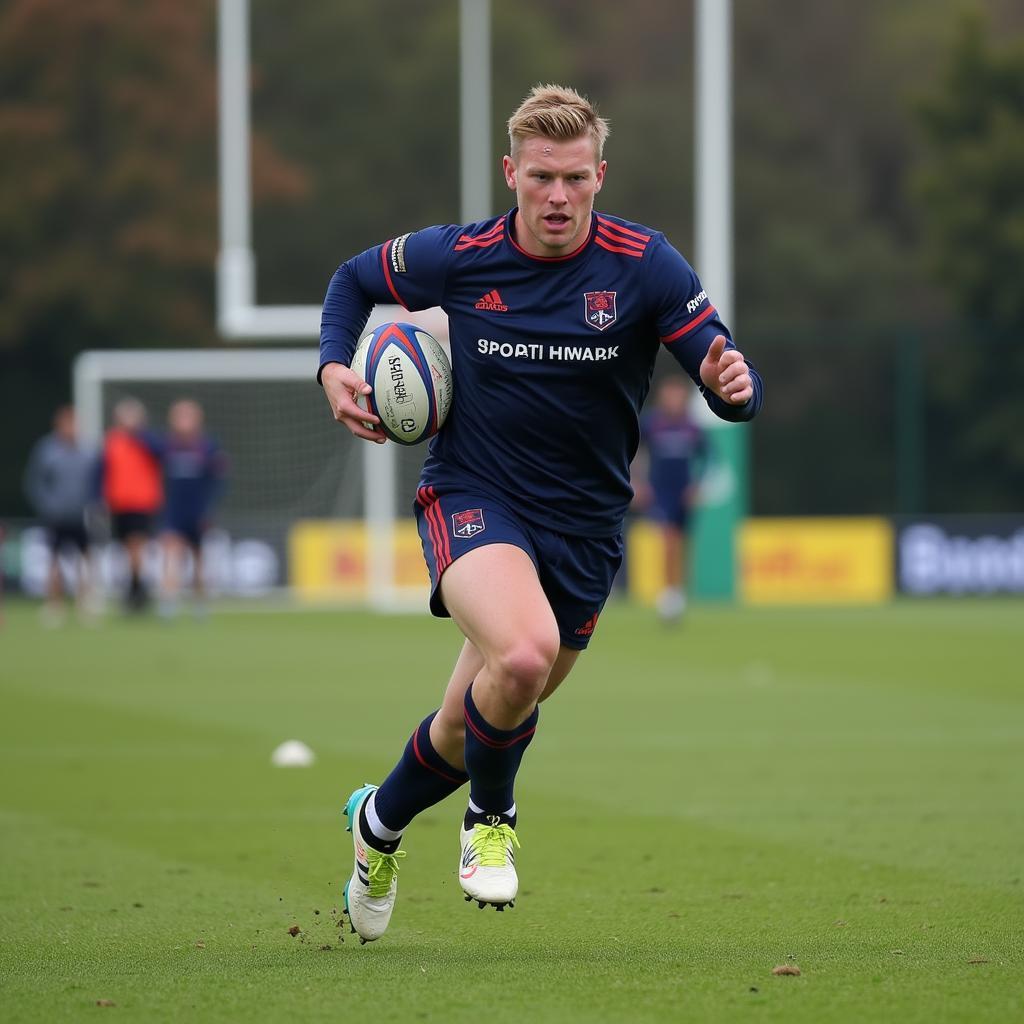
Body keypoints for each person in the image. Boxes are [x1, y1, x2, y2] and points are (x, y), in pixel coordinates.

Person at [319, 84, 764, 942]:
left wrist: (729, 388)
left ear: (600, 175)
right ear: (511, 173)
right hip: (474, 494)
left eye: (574, 179)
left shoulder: (645, 265)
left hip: (587, 528)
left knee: (472, 718)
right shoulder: (461, 255)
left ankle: (376, 824)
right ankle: (494, 819)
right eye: (539, 178)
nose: (557, 197)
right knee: (523, 658)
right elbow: (352, 280)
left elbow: (727, 372)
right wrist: (334, 367)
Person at [634, 376, 709, 622]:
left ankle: (676, 593)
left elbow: (708, 457)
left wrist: (696, 486)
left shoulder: (692, 427)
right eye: (669, 394)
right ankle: (669, 597)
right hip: (660, 492)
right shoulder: (651, 424)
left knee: (681, 544)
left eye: (678, 394)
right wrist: (639, 483)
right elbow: (632, 451)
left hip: (682, 493)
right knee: (669, 540)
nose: (673, 399)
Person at [23, 406, 97, 624]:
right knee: (53, 560)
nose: (72, 428)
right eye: (68, 423)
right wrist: (48, 505)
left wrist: (92, 504)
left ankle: (85, 604)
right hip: (55, 516)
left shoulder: (87, 451)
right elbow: (34, 482)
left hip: (81, 515)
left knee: (85, 559)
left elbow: (95, 481)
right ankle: (55, 605)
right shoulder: (46, 450)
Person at [157, 399, 226, 617]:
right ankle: (169, 602)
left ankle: (200, 603)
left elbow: (217, 481)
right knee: (171, 555)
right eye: (180, 416)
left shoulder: (207, 448)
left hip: (198, 512)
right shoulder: (166, 447)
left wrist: (209, 510)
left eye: (188, 416)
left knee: (198, 560)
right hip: (174, 511)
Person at [101, 398, 163, 612]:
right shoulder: (112, 441)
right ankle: (132, 588)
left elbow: (161, 454)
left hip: (142, 502)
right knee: (124, 549)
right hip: (118, 504)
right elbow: (102, 471)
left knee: (137, 545)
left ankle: (137, 590)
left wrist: (140, 434)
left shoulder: (148, 440)